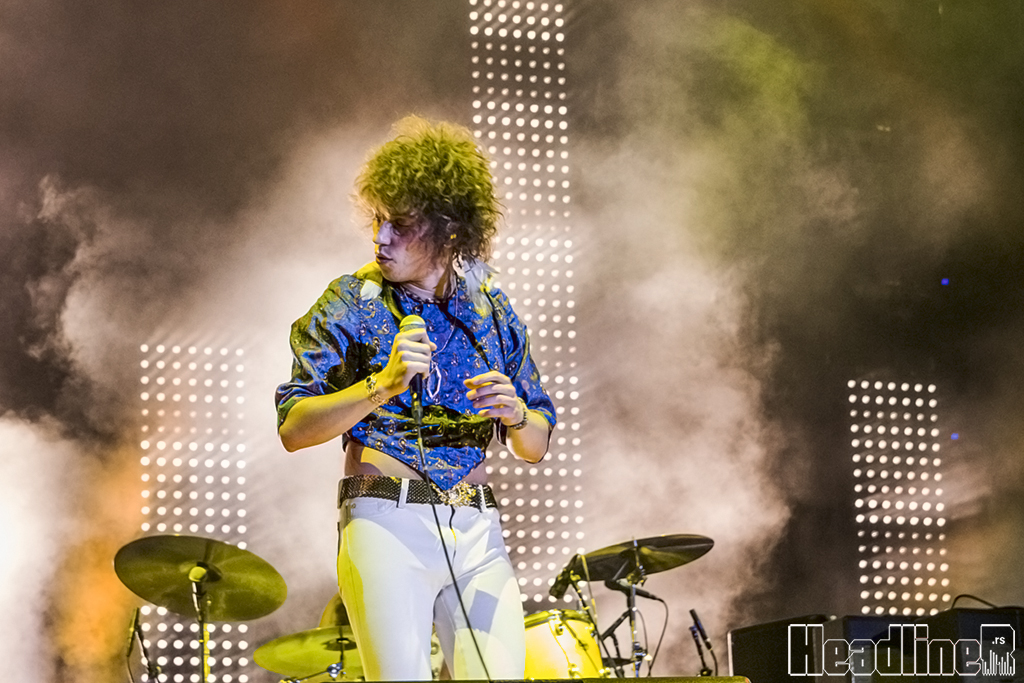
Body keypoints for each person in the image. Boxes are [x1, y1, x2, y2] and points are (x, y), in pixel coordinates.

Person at [275, 116, 556, 681]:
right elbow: (294, 427)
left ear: (449, 232)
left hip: (476, 528)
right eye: (377, 220)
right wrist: (381, 385)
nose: (380, 237)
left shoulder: (490, 310)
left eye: (399, 225)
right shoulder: (353, 301)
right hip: (385, 523)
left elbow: (534, 443)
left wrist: (516, 415)